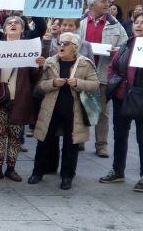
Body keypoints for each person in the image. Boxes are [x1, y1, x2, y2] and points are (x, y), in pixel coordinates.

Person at [28, 32, 99, 190]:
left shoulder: (84, 63)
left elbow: (95, 84)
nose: (61, 46)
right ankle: (38, 172)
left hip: (74, 110)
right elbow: (40, 86)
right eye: (60, 42)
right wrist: (53, 83)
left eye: (66, 43)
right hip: (51, 108)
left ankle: (67, 175)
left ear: (75, 47)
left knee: (71, 144)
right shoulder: (50, 62)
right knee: (44, 140)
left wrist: (78, 82)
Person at [99, 13, 143, 192]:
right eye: (136, 22)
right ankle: (118, 171)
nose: (138, 25)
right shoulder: (127, 43)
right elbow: (113, 66)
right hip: (122, 96)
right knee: (119, 136)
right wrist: (114, 82)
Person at [0, 16, 43, 182]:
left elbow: (35, 77)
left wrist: (38, 65)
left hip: (19, 99)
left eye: (17, 23)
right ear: (4, 28)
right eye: (9, 23)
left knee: (15, 136)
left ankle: (11, 168)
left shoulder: (30, 48)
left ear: (23, 29)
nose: (13, 24)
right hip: (0, 98)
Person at [78, 0, 128, 158]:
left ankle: (101, 145)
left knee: (102, 111)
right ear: (92, 4)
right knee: (79, 107)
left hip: (103, 73)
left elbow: (125, 46)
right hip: (81, 73)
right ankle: (79, 140)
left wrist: (118, 52)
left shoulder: (116, 25)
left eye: (108, 1)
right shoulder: (80, 22)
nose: (108, 4)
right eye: (104, 1)